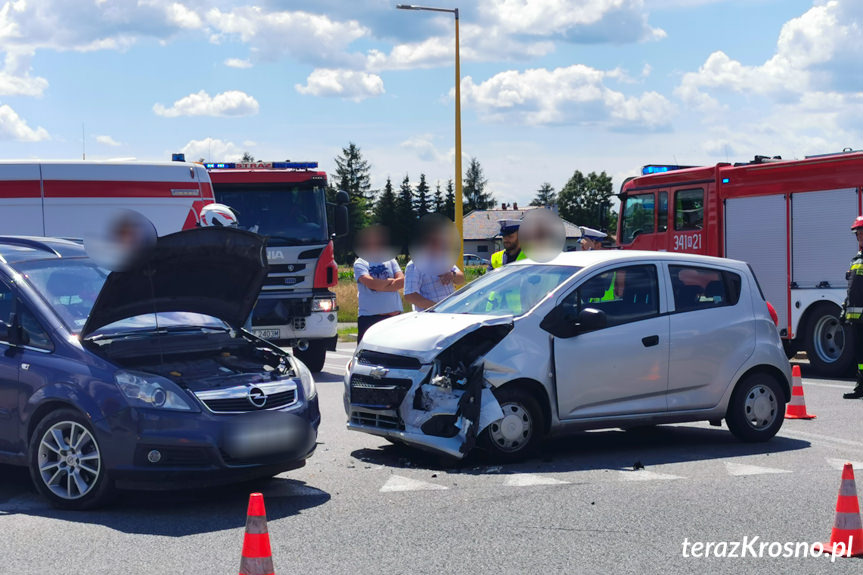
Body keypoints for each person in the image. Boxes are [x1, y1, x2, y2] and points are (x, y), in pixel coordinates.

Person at [353, 226, 404, 341]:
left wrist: (380, 285)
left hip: (393, 316)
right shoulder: (360, 263)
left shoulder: (391, 260)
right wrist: (391, 283)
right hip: (370, 318)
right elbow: (370, 283)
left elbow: (401, 281)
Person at [404, 217, 465, 311]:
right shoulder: (414, 265)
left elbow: (461, 279)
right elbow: (410, 295)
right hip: (430, 317)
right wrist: (438, 308)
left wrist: (452, 275)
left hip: (451, 312)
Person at [842, 216, 863, 399]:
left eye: (862, 233)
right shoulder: (856, 258)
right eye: (858, 234)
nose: (859, 237)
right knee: (860, 355)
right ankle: (861, 385)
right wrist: (844, 308)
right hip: (856, 319)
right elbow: (852, 288)